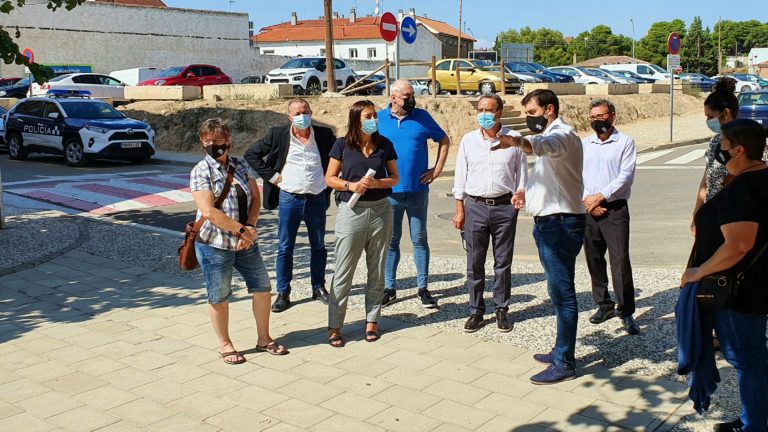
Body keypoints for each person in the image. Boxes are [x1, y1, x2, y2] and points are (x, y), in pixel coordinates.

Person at [680, 119, 768, 432]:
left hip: (737, 292)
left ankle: (755, 426)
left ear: (740, 150)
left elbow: (738, 245)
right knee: (754, 357)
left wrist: (698, 272)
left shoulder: (742, 188)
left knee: (746, 360)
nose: (720, 154)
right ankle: (754, 419)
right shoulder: (760, 176)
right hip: (753, 286)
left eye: (724, 148)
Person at [499, 89, 585, 385]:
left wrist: (520, 141)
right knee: (558, 291)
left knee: (563, 295)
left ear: (549, 109)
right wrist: (527, 192)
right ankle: (561, 350)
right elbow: (552, 176)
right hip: (553, 221)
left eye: (532, 113)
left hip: (559, 225)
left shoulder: (563, 135)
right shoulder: (555, 134)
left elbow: (545, 146)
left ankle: (565, 362)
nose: (528, 119)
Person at [190, 118, 288, 365]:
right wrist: (242, 231)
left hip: (246, 241)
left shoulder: (240, 165)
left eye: (219, 140)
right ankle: (225, 344)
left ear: (229, 139)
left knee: (263, 288)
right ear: (202, 141)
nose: (214, 144)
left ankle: (264, 338)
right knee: (219, 295)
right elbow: (209, 211)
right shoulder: (201, 170)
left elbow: (256, 198)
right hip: (215, 243)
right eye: (208, 140)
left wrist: (251, 228)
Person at [244, 99, 337, 313]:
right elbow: (251, 154)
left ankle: (318, 287)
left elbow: (337, 158)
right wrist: (274, 177)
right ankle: (283, 292)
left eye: (305, 111)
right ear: (289, 117)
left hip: (316, 197)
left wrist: (331, 181)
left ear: (311, 112)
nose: (302, 116)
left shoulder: (324, 135)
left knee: (319, 246)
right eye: (297, 113)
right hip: (289, 198)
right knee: (285, 247)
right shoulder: (277, 134)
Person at [325, 100, 399, 347]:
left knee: (377, 269)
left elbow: (394, 178)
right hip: (351, 211)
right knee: (343, 271)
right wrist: (350, 185)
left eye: (375, 116)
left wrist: (378, 184)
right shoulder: (342, 145)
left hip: (380, 212)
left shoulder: (384, 145)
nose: (373, 120)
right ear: (356, 119)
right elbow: (330, 178)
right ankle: (335, 326)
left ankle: (372, 321)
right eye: (368, 116)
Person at [452, 93, 527, 333]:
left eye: (488, 110)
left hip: (505, 207)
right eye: (480, 110)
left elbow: (522, 172)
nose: (483, 114)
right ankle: (476, 310)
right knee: (474, 261)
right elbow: (460, 175)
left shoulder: (514, 139)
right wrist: (459, 208)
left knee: (503, 261)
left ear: (499, 113)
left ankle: (501, 309)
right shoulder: (468, 140)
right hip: (475, 206)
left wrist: (521, 192)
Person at [377, 79, 451, 308]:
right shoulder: (378, 119)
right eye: (406, 96)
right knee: (391, 242)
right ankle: (390, 288)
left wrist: (436, 170)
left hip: (418, 191)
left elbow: (444, 140)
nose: (411, 100)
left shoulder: (422, 117)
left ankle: (423, 288)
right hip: (390, 192)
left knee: (420, 239)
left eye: (412, 96)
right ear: (393, 98)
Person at [581, 99, 640, 335]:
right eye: (593, 117)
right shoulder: (585, 144)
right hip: (589, 209)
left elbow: (625, 176)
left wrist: (600, 197)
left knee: (620, 262)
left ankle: (626, 311)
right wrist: (589, 201)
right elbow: (577, 176)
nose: (598, 121)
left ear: (612, 116)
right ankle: (603, 304)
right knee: (594, 259)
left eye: (601, 116)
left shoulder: (625, 142)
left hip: (614, 209)